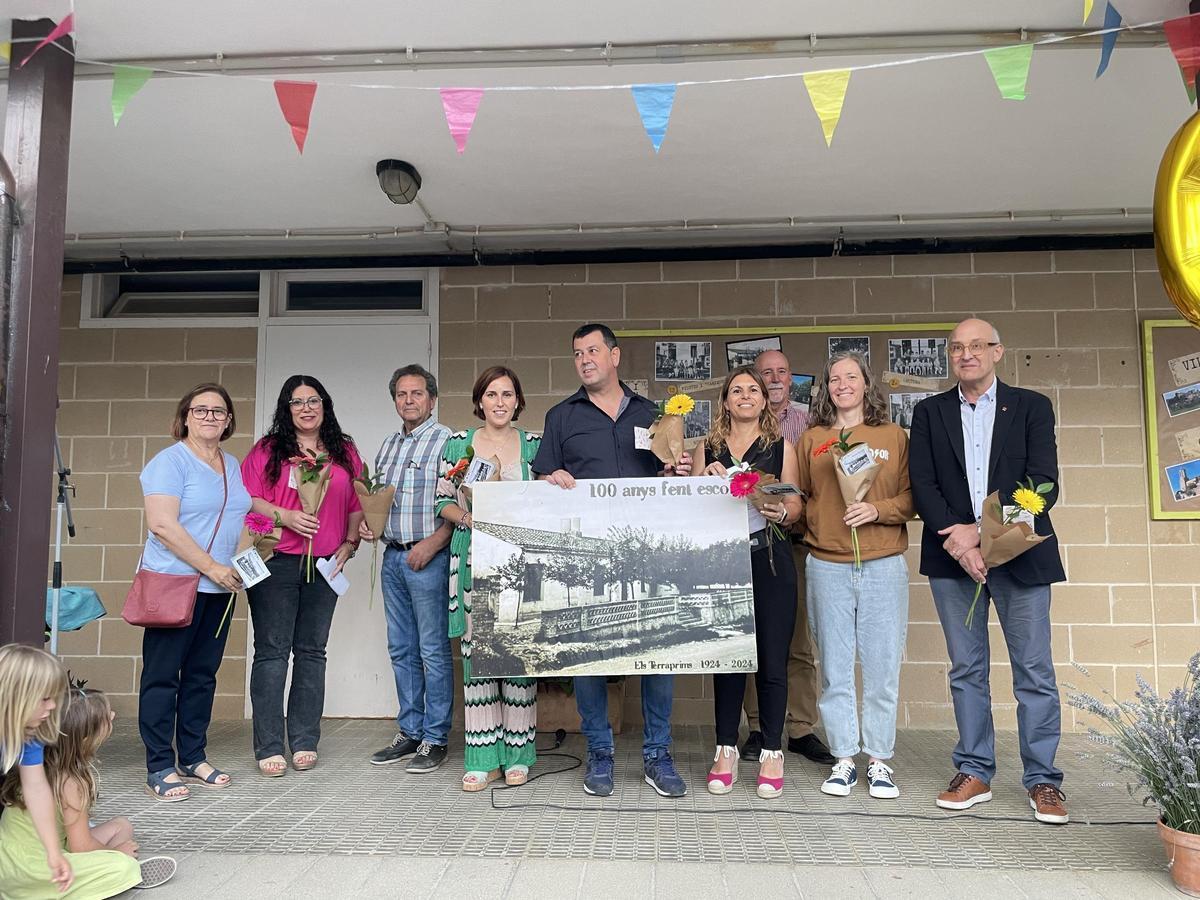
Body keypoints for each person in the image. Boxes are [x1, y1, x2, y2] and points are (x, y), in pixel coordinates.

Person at [908, 318, 1069, 824]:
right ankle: (974, 770)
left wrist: (979, 533)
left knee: (1034, 671)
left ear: (998, 352)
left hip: (1022, 557)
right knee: (966, 669)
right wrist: (960, 544)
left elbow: (1042, 484)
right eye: (957, 347)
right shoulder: (929, 412)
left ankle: (1043, 779)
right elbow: (923, 485)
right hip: (952, 559)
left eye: (977, 345)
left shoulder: (1031, 407)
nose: (967, 354)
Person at [533, 323, 691, 798]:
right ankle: (599, 753)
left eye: (593, 351)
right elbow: (540, 480)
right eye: (577, 353)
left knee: (658, 652)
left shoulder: (653, 414)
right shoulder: (561, 416)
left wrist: (676, 471)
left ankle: (657, 755)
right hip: (592, 558)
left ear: (615, 356)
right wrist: (550, 479)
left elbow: (666, 474)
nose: (585, 360)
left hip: (647, 549)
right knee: (589, 656)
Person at [796, 352, 913, 800]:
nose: (842, 384)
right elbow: (802, 498)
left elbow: (912, 498)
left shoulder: (892, 436)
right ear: (825, 388)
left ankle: (879, 760)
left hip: (882, 563)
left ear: (866, 383)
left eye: (851, 376)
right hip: (827, 563)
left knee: (882, 667)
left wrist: (876, 510)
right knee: (834, 668)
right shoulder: (813, 439)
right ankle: (844, 758)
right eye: (834, 379)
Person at [241, 376, 365, 777]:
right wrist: (286, 516)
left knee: (312, 652)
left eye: (313, 401)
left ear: (324, 405)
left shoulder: (344, 450)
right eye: (297, 402)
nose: (306, 408)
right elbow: (249, 498)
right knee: (272, 651)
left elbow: (357, 500)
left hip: (325, 563)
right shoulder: (268, 450)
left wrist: (350, 543)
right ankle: (269, 745)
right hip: (275, 559)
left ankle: (305, 740)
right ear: (286, 408)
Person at [138, 383, 252, 801]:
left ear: (228, 420)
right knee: (162, 676)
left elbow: (241, 515)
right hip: (175, 583)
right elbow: (162, 525)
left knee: (202, 676)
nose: (209, 417)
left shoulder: (231, 463)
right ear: (185, 416)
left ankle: (192, 756)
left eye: (218, 411)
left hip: (220, 587)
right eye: (200, 410)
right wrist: (213, 567)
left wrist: (243, 562)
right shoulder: (169, 462)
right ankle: (159, 765)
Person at [697, 367, 802, 799]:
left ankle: (772, 751)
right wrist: (701, 481)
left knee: (772, 659)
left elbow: (795, 503)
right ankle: (725, 749)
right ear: (725, 400)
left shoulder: (781, 446)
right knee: (727, 657)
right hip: (723, 562)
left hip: (770, 557)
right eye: (736, 390)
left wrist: (782, 511)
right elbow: (691, 507)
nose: (745, 395)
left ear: (764, 399)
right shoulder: (708, 447)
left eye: (753, 390)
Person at [435, 366, 540, 791]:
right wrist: (470, 519)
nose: (499, 402)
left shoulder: (534, 445)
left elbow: (544, 500)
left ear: (518, 401)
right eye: (492, 394)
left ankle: (518, 755)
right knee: (478, 661)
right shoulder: (459, 443)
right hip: (472, 558)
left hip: (519, 561)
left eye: (507, 394)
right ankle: (481, 757)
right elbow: (442, 500)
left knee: (517, 656)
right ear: (480, 401)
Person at [740, 349, 834, 766]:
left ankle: (800, 728)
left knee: (796, 640)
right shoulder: (737, 425)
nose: (775, 378)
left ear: (791, 377)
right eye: (767, 373)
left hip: (794, 542)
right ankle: (759, 727)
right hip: (749, 545)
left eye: (782, 371)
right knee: (750, 640)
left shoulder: (809, 425)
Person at [363, 365, 455, 774]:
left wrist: (434, 543)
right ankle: (411, 731)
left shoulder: (447, 442)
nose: (409, 400)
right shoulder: (387, 445)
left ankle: (435, 738)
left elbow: (459, 503)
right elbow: (379, 500)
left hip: (428, 558)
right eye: (402, 394)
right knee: (401, 649)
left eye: (417, 393)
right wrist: (370, 525)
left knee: (432, 651)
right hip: (393, 558)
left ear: (432, 399)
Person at [0, 687, 178, 897]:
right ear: (86, 738)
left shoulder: (35, 766)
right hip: (33, 870)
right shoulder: (71, 782)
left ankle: (102, 869)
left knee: (122, 826)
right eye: (106, 717)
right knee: (123, 866)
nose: (113, 715)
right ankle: (115, 873)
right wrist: (116, 853)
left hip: (10, 862)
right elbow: (81, 847)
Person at [0, 645, 71, 893]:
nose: (52, 706)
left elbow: (36, 788)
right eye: (45, 698)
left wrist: (53, 852)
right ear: (16, 697)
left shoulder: (28, 736)